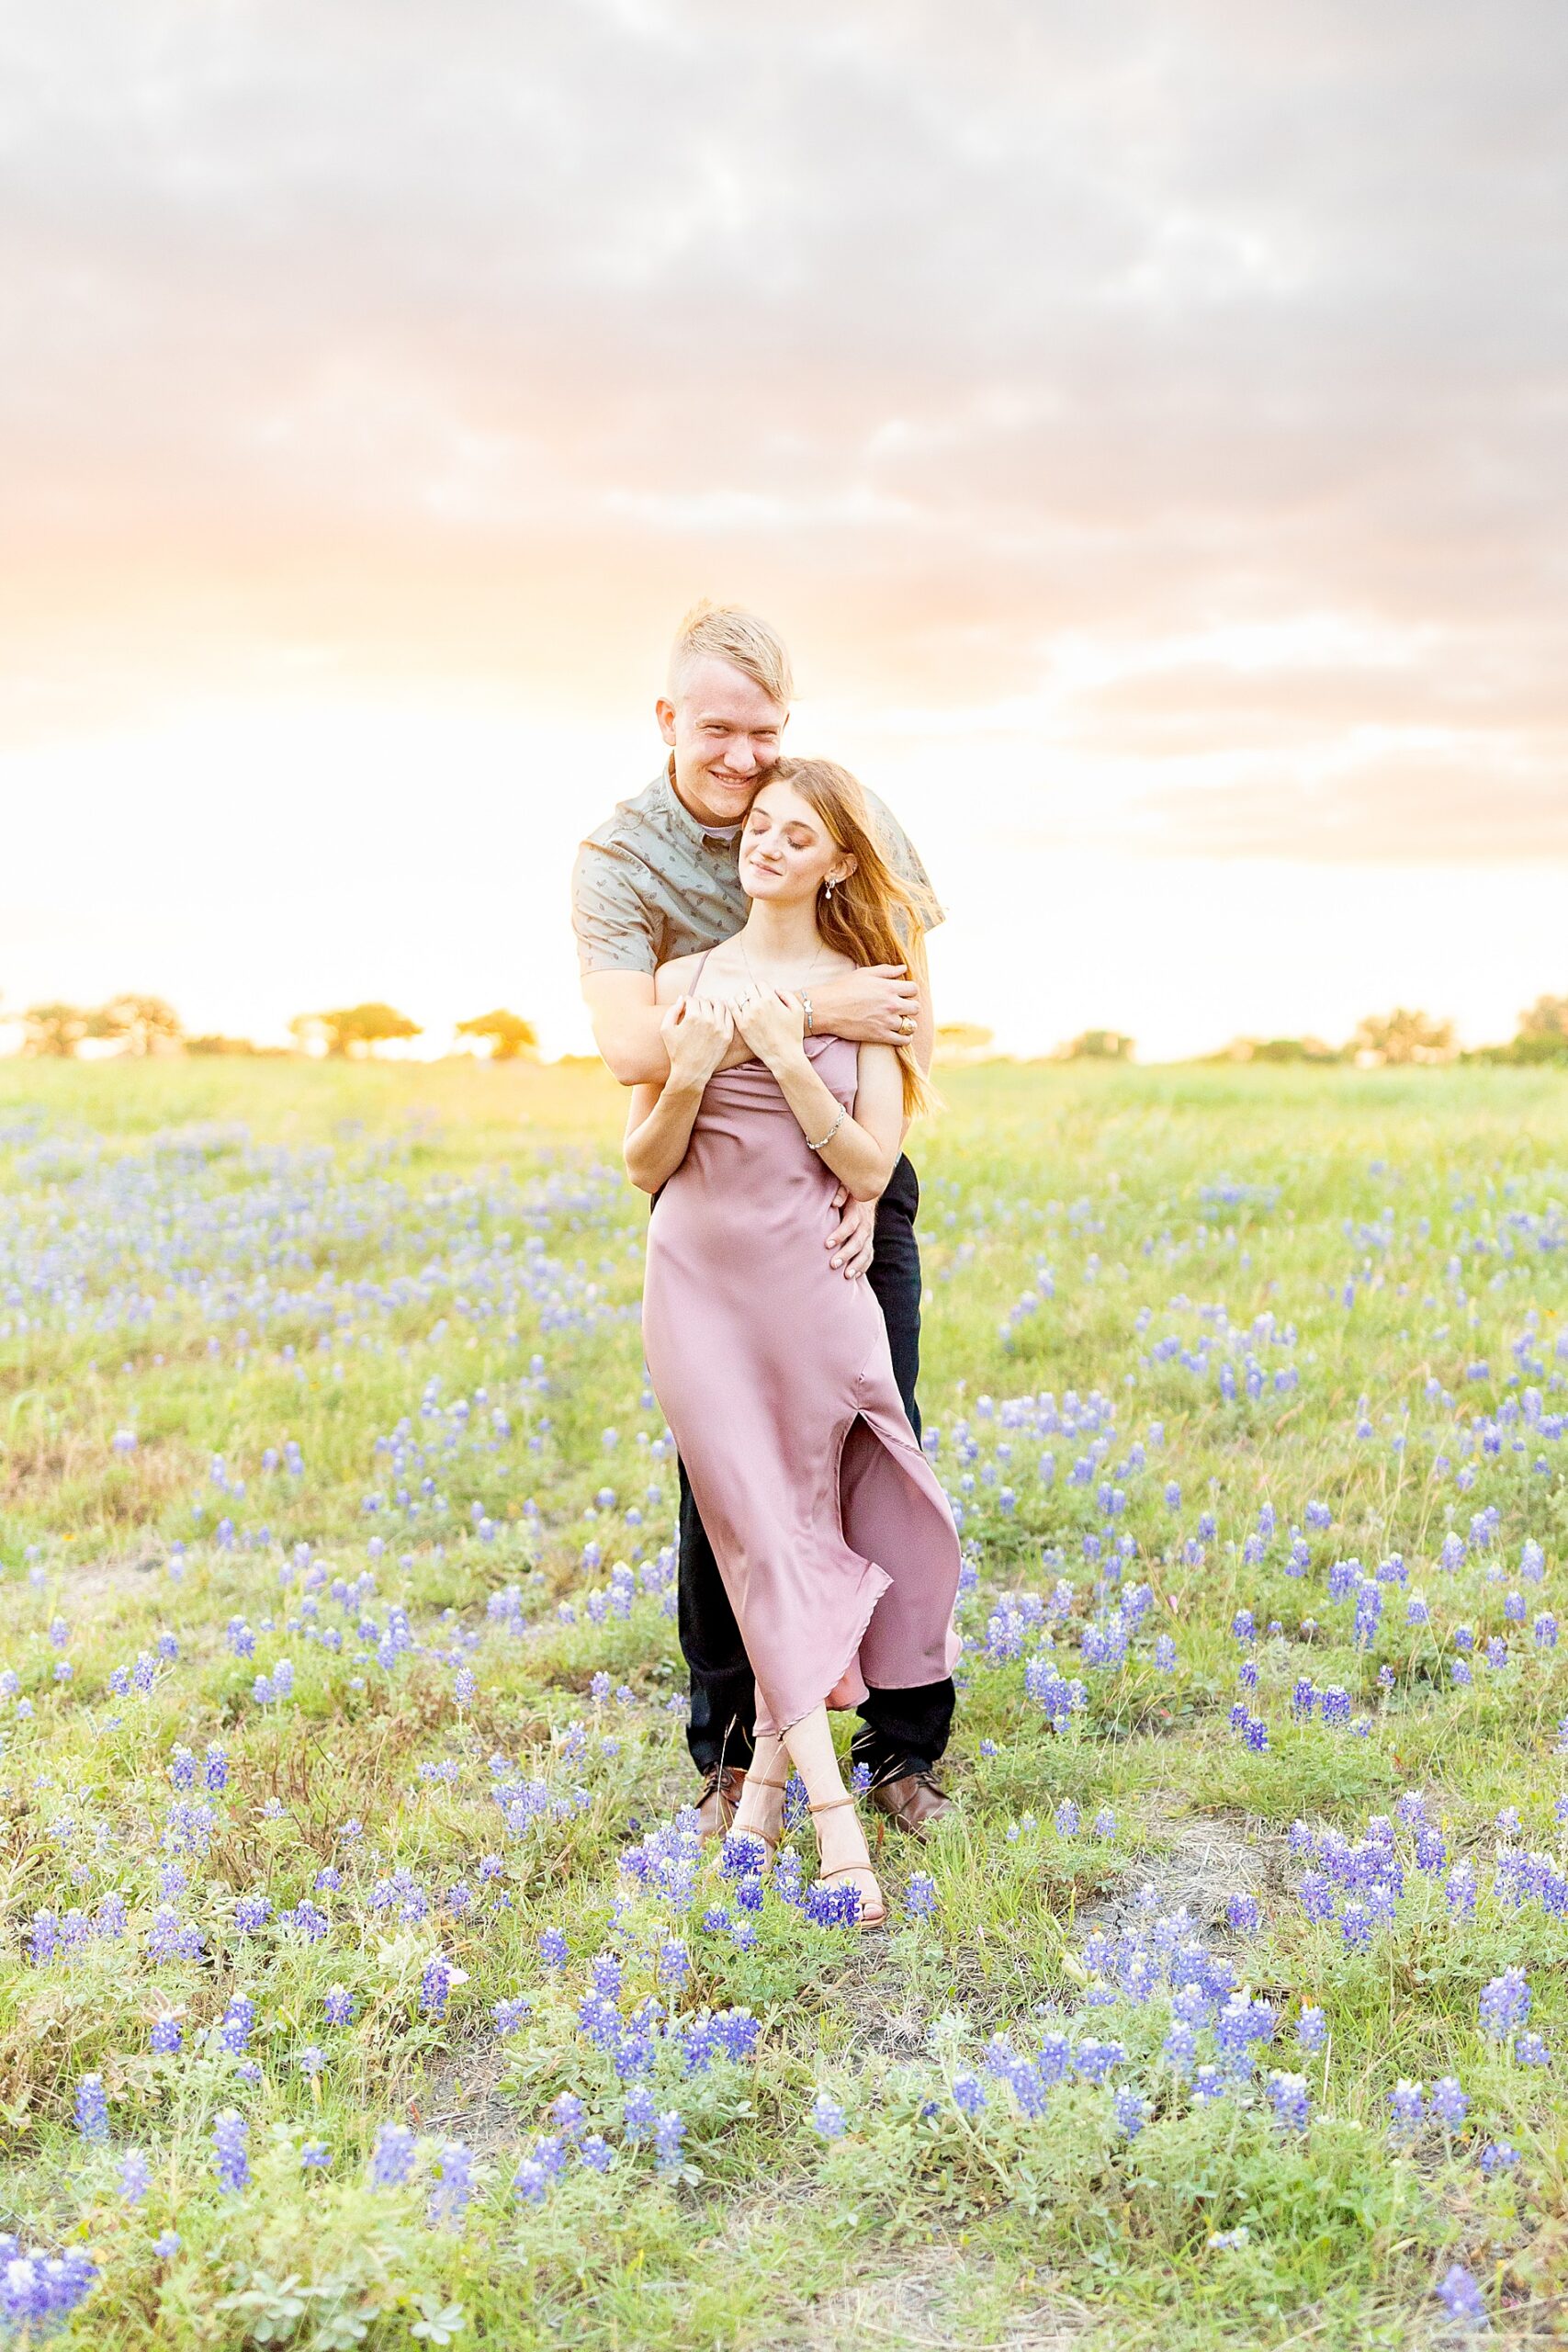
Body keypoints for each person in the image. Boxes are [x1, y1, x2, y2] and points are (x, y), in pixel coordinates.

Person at [572, 601, 956, 1839]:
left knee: (873, 1447)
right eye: (721, 731)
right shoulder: (622, 857)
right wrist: (802, 1003)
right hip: (719, 1188)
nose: (745, 761)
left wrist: (857, 1156)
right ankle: (733, 1750)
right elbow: (635, 1041)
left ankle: (902, 1746)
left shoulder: (832, 803)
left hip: (845, 1181)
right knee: (723, 1479)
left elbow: (908, 992)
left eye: (767, 733)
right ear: (670, 720)